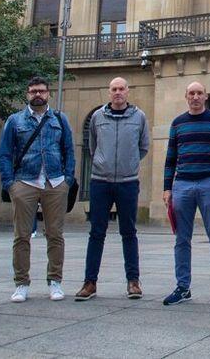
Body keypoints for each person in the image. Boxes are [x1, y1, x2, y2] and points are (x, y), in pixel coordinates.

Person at [0, 76, 76, 303]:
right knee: (21, 236)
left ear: (48, 93)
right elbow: (4, 154)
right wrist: (10, 184)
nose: (37, 95)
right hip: (25, 182)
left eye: (41, 91)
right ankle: (21, 283)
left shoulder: (60, 119)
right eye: (33, 91)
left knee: (55, 235)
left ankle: (55, 281)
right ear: (27, 94)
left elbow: (69, 150)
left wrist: (68, 179)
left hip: (55, 182)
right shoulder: (15, 121)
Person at [75, 77, 149, 301]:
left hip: (128, 182)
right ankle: (90, 282)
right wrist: (102, 163)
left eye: (121, 89)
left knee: (129, 232)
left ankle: (133, 281)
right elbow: (92, 146)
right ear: (109, 93)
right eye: (114, 89)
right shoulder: (98, 117)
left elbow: (143, 147)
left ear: (128, 91)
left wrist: (130, 162)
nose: (118, 93)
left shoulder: (139, 117)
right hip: (100, 181)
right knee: (97, 232)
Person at [162, 81, 210, 306]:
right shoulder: (177, 123)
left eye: (199, 93)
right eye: (191, 93)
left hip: (209, 183)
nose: (195, 96)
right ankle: (182, 287)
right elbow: (170, 158)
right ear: (186, 96)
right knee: (182, 239)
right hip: (182, 185)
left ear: (206, 96)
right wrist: (167, 188)